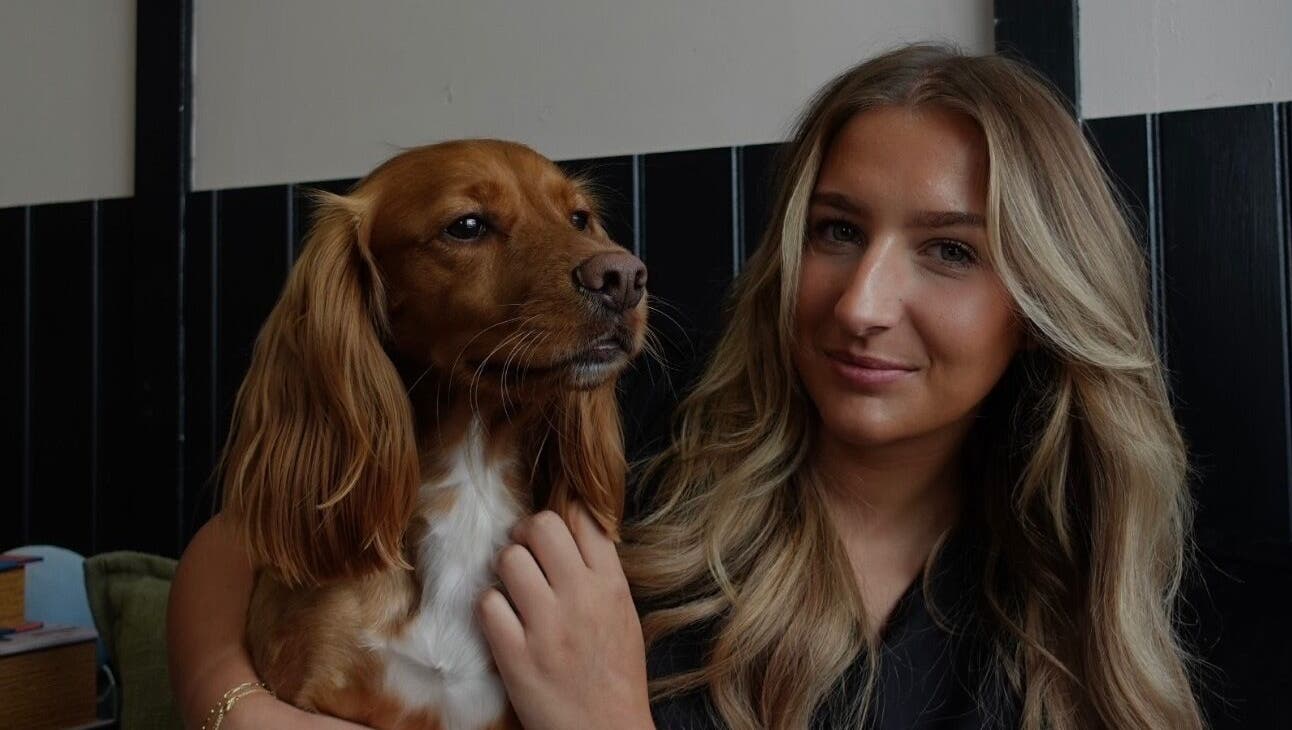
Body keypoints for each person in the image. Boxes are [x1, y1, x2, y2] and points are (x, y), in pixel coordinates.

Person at [168, 44, 1204, 729]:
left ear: (1040, 300)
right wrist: (235, 704)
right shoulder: (643, 456)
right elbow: (247, 540)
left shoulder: (1092, 615)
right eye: (837, 232)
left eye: (948, 252)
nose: (861, 305)